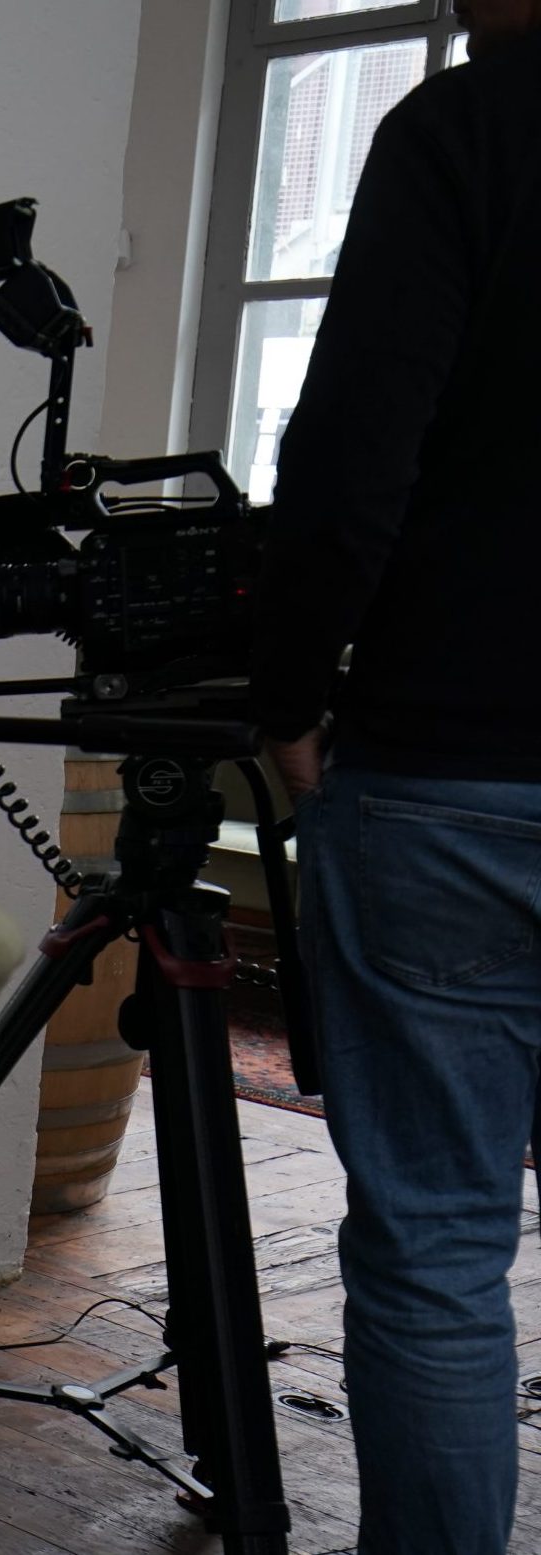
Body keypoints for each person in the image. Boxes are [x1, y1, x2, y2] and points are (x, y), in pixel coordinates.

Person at [250, 9, 541, 1553]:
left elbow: (355, 448)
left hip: (451, 765)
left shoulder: (466, 130)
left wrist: (290, 690)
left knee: (437, 1246)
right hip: (459, 776)